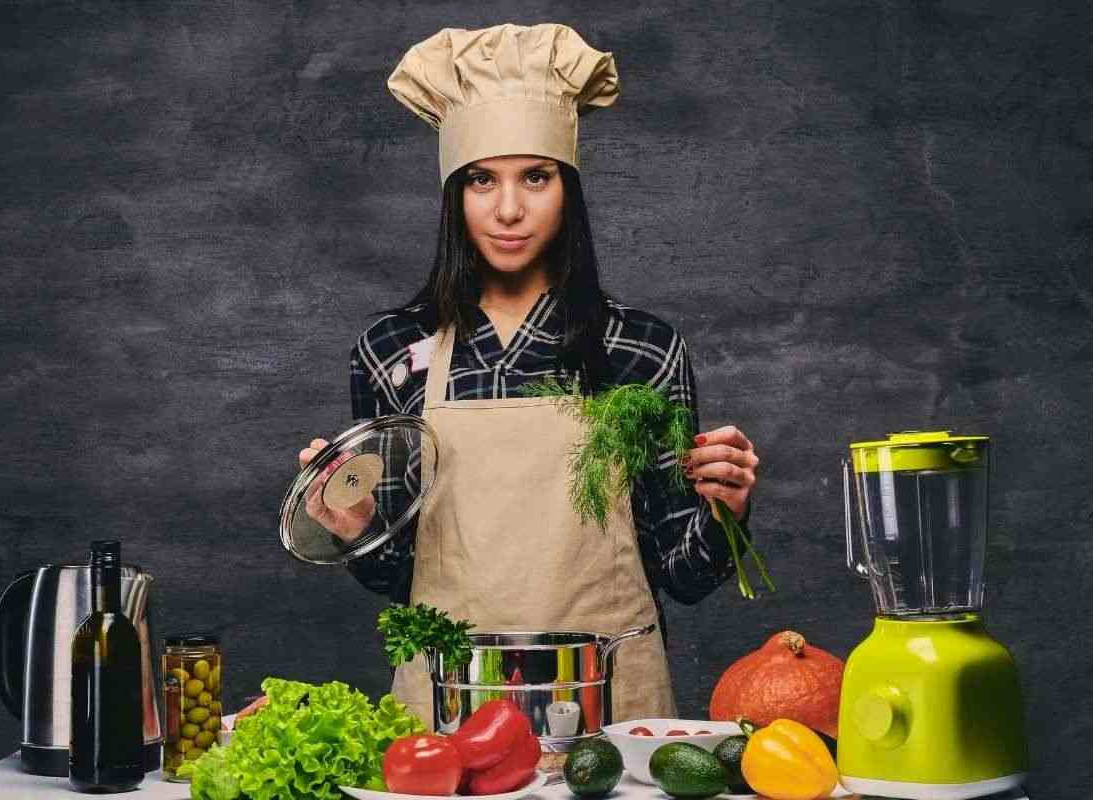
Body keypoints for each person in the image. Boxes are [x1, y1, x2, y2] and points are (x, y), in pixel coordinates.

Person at [241, 22, 760, 729]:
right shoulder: (393, 351)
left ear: (567, 191)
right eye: (483, 180)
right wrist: (355, 524)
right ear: (454, 194)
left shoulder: (640, 349)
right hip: (448, 711)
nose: (509, 209)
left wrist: (727, 509)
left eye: (535, 178)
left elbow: (685, 576)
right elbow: (402, 581)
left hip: (607, 709)